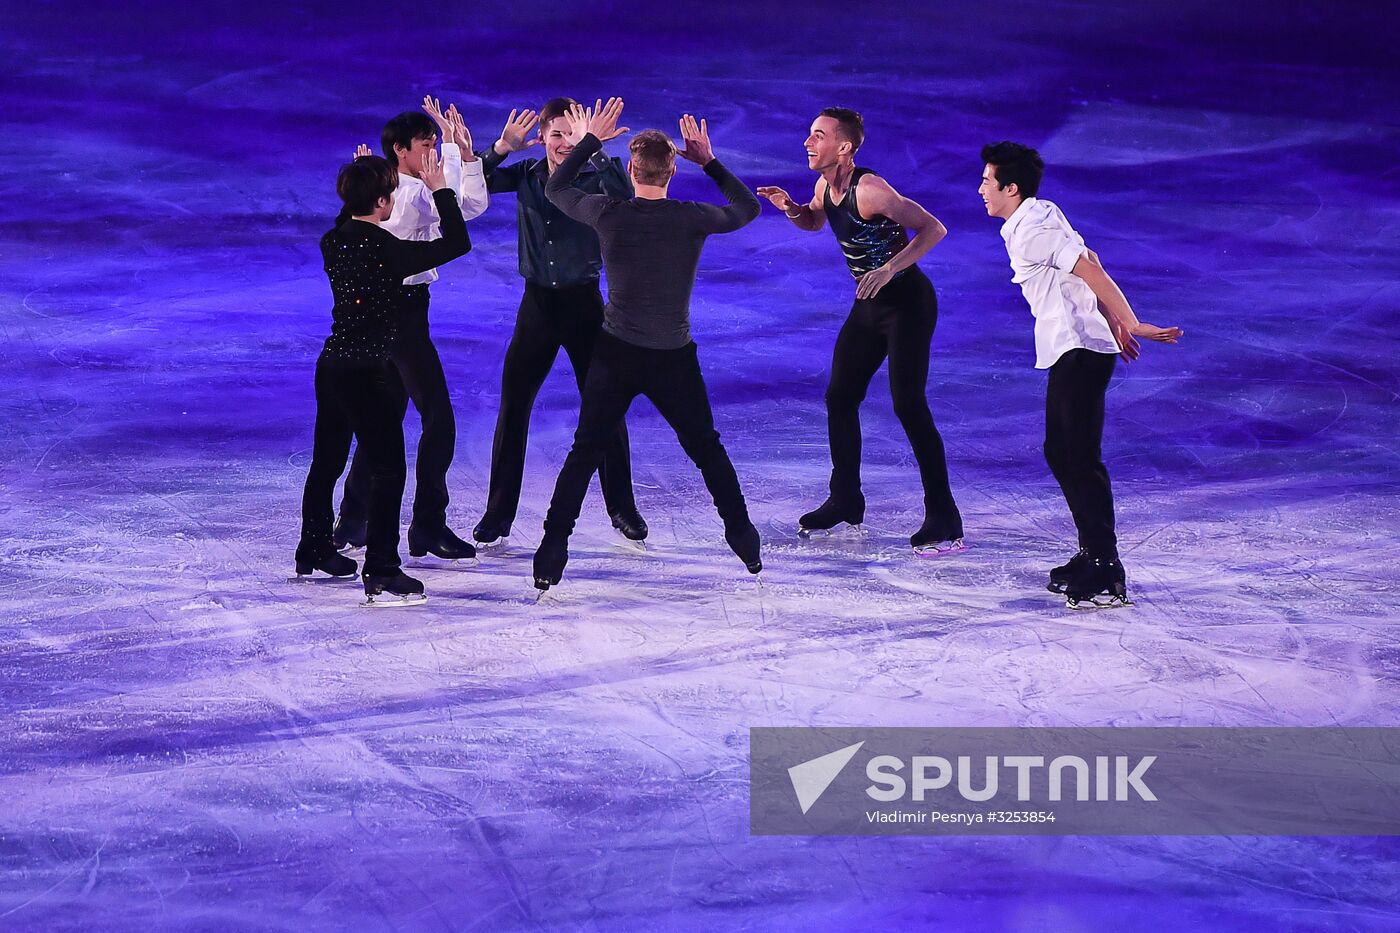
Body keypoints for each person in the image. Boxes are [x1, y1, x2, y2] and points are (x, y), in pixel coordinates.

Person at [532, 99, 763, 591]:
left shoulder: (609, 213)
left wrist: (591, 140)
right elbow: (748, 208)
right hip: (672, 359)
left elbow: (554, 187)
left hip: (615, 355)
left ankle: (553, 548)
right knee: (706, 449)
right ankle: (742, 534)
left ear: (631, 169)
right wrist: (712, 162)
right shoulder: (692, 216)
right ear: (672, 170)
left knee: (585, 450)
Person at [977, 140, 1183, 608]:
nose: (981, 189)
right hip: (1080, 345)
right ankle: (1093, 553)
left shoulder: (1032, 230)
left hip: (1077, 348)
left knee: (1077, 455)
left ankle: (1105, 566)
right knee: (1064, 450)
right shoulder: (1039, 213)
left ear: (1011, 187)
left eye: (988, 182)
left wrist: (1128, 322)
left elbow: (1088, 269)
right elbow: (1090, 258)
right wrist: (1111, 321)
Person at [756, 108, 965, 554]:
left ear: (844, 147)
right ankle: (846, 499)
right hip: (868, 306)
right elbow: (814, 220)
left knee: (908, 404)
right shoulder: (823, 186)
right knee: (840, 396)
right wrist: (790, 208)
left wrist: (890, 268)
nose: (808, 143)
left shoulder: (871, 190)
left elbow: (933, 228)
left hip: (907, 304)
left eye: (818, 136)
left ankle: (944, 514)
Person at [297, 149, 472, 605]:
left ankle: (314, 546)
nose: (393, 199)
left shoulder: (333, 241)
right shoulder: (386, 251)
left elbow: (349, 217)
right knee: (389, 470)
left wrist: (362, 175)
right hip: (366, 372)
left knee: (328, 462)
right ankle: (381, 568)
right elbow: (457, 244)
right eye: (389, 194)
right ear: (380, 202)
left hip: (331, 366)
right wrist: (442, 192)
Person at [472, 98, 647, 549]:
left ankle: (622, 508)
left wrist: (599, 150)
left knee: (605, 407)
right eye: (557, 135)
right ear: (544, 136)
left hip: (585, 306)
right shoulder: (528, 175)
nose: (565, 143)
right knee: (514, 407)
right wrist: (499, 148)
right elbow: (474, 185)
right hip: (537, 308)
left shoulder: (596, 176)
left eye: (573, 135)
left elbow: (629, 197)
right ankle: (497, 514)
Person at [332, 97, 489, 561]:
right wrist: (460, 158)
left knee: (384, 417)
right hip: (401, 316)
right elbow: (461, 215)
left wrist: (460, 156)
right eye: (427, 144)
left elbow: (464, 206)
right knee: (438, 418)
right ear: (401, 150)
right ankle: (427, 526)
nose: (433, 150)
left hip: (396, 313)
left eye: (435, 143)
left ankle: (353, 519)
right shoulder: (412, 193)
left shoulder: (389, 189)